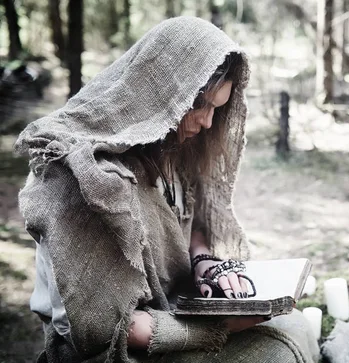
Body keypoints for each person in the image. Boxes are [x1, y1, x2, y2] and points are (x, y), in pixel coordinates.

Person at [16, 17, 319, 362]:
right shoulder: (79, 175)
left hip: (173, 308)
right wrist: (220, 327)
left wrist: (204, 261)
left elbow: (187, 224)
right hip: (115, 349)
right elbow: (102, 330)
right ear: (159, 95)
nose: (206, 122)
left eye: (216, 110)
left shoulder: (173, 148)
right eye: (199, 104)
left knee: (295, 325)